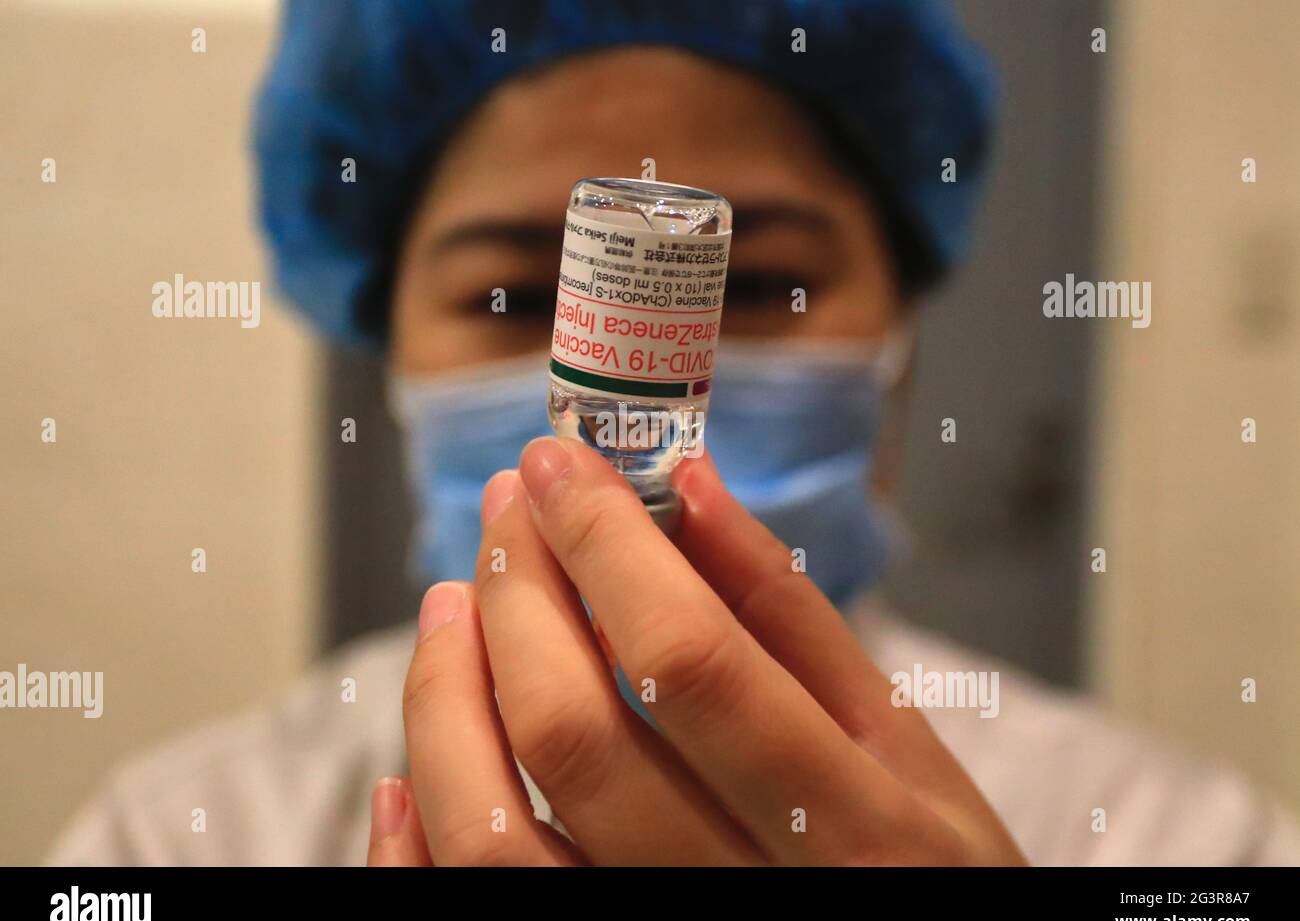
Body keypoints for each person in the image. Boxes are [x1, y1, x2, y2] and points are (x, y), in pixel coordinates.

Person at [48, 0, 1299, 865]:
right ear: (385, 351)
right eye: (501, 298)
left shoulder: (1170, 842)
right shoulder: (173, 836)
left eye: (760, 288)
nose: (635, 412)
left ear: (903, 340)